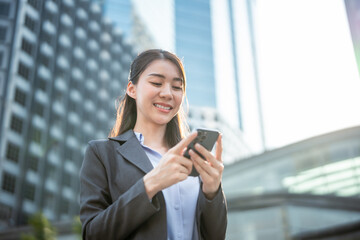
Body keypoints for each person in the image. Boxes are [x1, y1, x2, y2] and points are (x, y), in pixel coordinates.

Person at [79, 49, 227, 240]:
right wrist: (150, 184)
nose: (167, 94)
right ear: (132, 89)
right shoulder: (102, 153)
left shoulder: (191, 158)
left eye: (176, 87)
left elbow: (215, 236)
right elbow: (93, 234)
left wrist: (212, 192)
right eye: (156, 83)